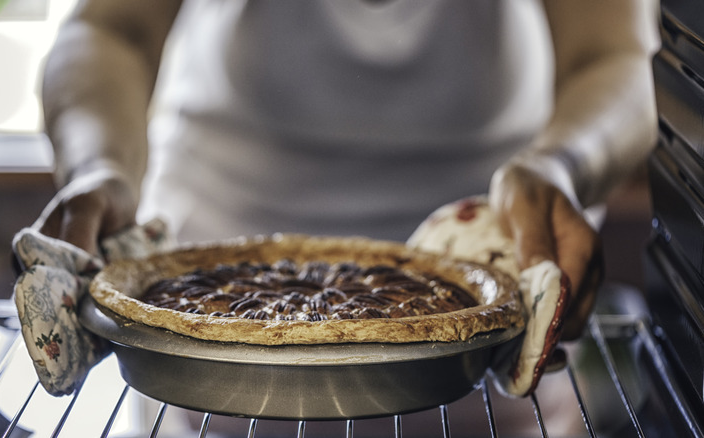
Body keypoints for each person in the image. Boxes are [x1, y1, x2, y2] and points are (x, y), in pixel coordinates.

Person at [36, 0, 656, 379]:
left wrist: (559, 166)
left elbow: (613, 56)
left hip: (489, 321)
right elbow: (111, 29)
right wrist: (101, 166)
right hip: (201, 340)